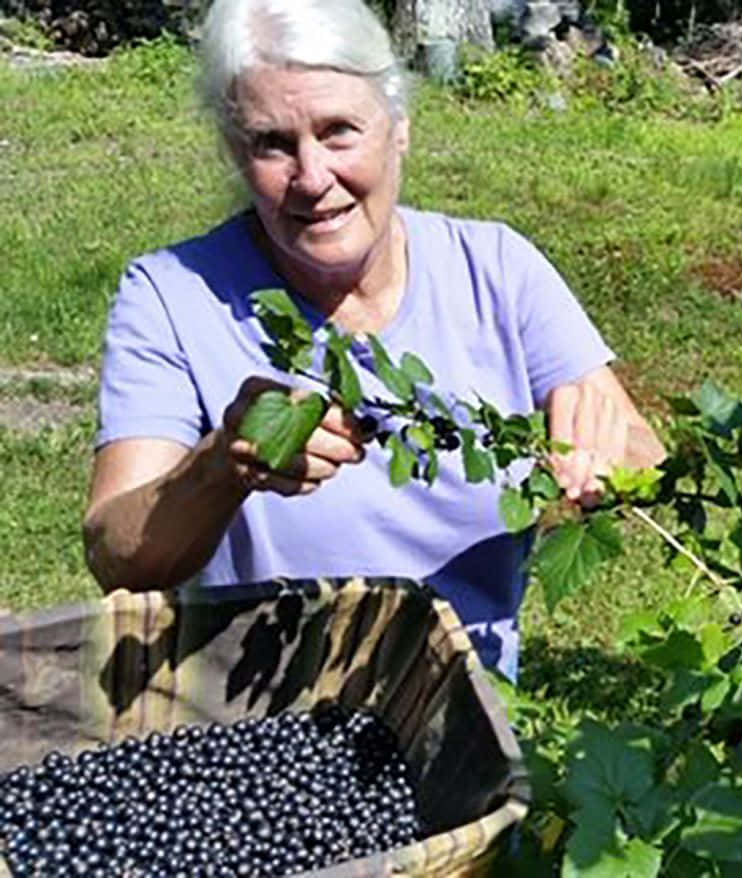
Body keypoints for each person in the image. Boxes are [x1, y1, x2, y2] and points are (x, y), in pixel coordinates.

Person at [81, 0, 663, 681]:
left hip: (463, 719)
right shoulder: (173, 295)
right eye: (273, 143)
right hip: (258, 717)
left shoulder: (498, 272)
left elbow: (642, 457)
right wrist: (220, 468)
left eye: (339, 132)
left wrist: (606, 455)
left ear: (399, 127)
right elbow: (119, 559)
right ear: (236, 154)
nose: (313, 177)